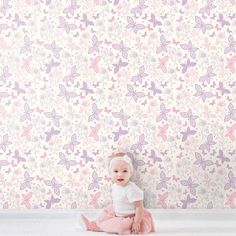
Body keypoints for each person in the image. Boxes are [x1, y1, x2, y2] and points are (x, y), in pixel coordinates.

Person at [80, 152, 155, 234]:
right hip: (117, 212)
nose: (120, 174)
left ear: (130, 173)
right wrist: (115, 156)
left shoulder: (132, 189)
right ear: (110, 174)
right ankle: (93, 224)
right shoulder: (115, 185)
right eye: (116, 171)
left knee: (121, 226)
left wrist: (136, 222)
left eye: (125, 171)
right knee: (104, 215)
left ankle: (104, 227)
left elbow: (139, 207)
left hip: (131, 217)